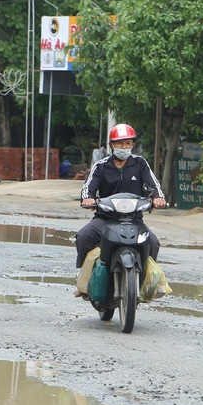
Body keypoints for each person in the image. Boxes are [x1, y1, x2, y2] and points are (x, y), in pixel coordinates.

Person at [75, 124, 166, 290]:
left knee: (153, 243)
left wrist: (158, 198)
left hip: (134, 220)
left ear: (132, 145)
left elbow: (154, 185)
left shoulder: (140, 163)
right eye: (120, 143)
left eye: (128, 143)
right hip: (105, 219)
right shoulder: (101, 166)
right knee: (83, 236)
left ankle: (146, 282)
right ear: (111, 145)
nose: (124, 147)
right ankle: (85, 281)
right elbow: (88, 187)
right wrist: (87, 199)